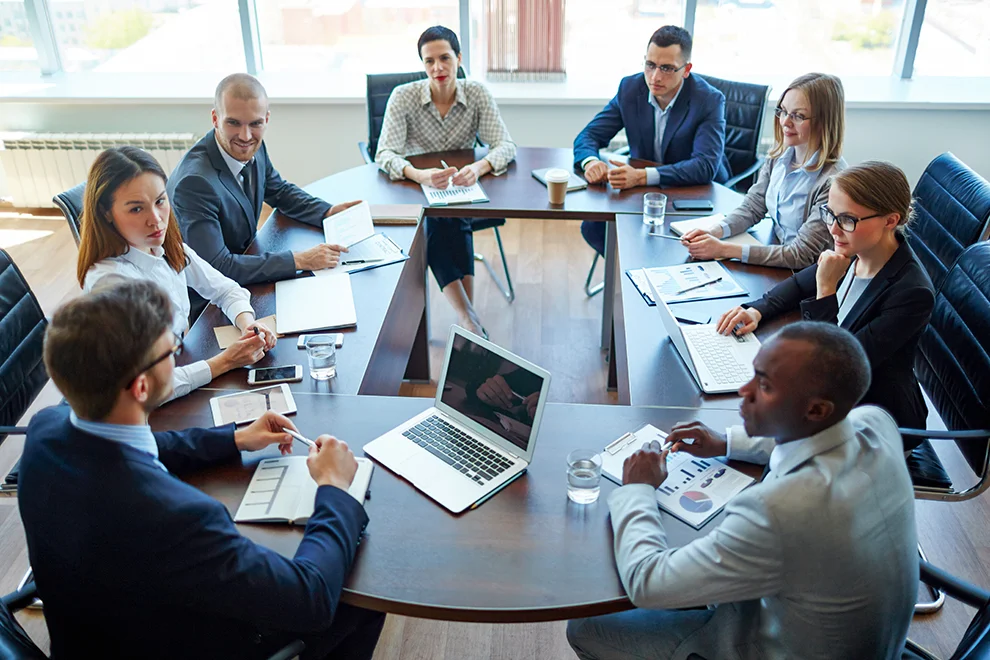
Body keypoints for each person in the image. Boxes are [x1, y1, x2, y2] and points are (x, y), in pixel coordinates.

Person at [18, 279, 384, 659]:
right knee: (361, 598)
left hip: (89, 637)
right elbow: (311, 600)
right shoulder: (177, 518)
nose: (177, 357)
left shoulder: (46, 430)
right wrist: (334, 487)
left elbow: (138, 447)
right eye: (171, 351)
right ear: (141, 387)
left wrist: (235, 439)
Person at [567, 322, 918, 660]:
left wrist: (638, 489)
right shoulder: (876, 423)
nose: (743, 390)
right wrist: (726, 442)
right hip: (865, 640)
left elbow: (647, 584)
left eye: (764, 386)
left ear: (815, 409)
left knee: (585, 628)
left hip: (766, 644)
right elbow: (816, 438)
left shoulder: (778, 511)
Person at [716, 161, 935, 446]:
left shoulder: (911, 293)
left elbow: (833, 369)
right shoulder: (859, 246)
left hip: (874, 423)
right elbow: (797, 285)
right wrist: (757, 309)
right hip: (831, 400)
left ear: (890, 221)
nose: (833, 229)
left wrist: (826, 289)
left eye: (847, 220)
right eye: (830, 214)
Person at [77, 146, 276, 402]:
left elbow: (225, 289)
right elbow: (148, 388)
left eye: (160, 201)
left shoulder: (163, 245)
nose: (156, 220)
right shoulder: (111, 283)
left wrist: (249, 325)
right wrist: (225, 362)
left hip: (180, 366)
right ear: (106, 213)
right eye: (136, 209)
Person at [375, 25, 517, 337]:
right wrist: (418, 173)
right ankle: (469, 319)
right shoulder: (404, 97)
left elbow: (506, 146)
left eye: (445, 58)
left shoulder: (476, 93)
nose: (437, 68)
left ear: (459, 58)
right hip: (415, 190)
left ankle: (467, 321)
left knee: (452, 219)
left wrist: (479, 167)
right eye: (429, 61)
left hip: (460, 188)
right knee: (441, 222)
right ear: (422, 64)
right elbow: (384, 153)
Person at [168, 73, 360, 287]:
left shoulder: (254, 148)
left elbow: (279, 191)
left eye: (255, 124)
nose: (245, 136)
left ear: (266, 119)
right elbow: (217, 267)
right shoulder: (194, 183)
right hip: (212, 297)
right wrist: (300, 260)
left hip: (248, 264)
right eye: (233, 123)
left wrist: (327, 212)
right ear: (215, 119)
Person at [574, 25, 730, 256]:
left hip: (695, 192)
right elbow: (589, 135)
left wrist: (640, 176)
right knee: (594, 228)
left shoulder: (709, 100)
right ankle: (631, 276)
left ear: (686, 69)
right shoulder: (630, 88)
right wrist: (590, 162)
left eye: (667, 68)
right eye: (650, 65)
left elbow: (704, 166)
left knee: (676, 247)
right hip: (643, 193)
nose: (655, 77)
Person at [681, 73, 847, 268]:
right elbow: (753, 206)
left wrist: (723, 249)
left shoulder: (832, 182)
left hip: (808, 273)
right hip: (774, 253)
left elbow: (801, 255)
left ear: (824, 121)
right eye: (783, 111)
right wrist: (715, 231)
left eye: (798, 116)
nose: (785, 122)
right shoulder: (779, 155)